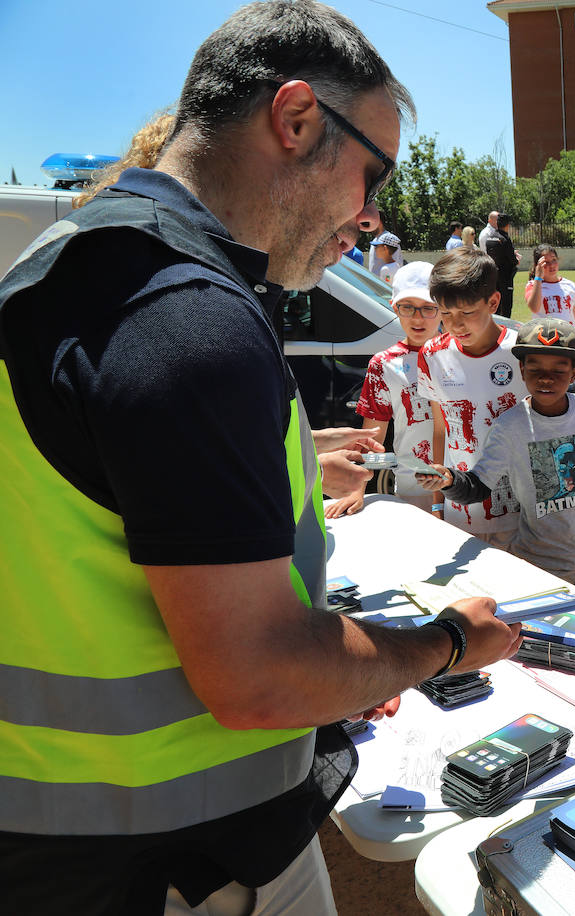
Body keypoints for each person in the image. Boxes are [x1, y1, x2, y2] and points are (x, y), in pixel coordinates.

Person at [0, 3, 523, 911]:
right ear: (295, 120)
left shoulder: (81, 263)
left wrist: (290, 463)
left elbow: (102, 473)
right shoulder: (184, 316)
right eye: (373, 172)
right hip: (175, 855)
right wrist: (447, 644)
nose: (369, 212)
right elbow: (258, 672)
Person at [421, 317, 575, 587]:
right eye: (535, 369)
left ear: (574, 374)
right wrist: (450, 481)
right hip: (538, 564)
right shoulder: (510, 425)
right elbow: (478, 486)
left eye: (559, 371)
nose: (545, 378)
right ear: (522, 371)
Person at [418, 248, 527, 547]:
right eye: (446, 313)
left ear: (493, 302)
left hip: (523, 516)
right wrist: (438, 502)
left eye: (467, 313)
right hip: (461, 512)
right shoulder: (432, 355)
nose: (456, 325)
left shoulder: (523, 352)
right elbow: (440, 429)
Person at [331, 260, 442, 517]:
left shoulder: (460, 355)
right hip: (415, 486)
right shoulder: (384, 364)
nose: (417, 318)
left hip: (463, 488)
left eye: (428, 308)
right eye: (408, 307)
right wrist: (357, 488)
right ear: (394, 307)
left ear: (442, 308)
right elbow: (373, 434)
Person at [523, 243, 575, 376]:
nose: (551, 265)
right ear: (538, 265)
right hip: (547, 345)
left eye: (554, 260)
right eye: (546, 262)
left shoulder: (569, 285)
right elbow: (534, 307)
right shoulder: (533, 285)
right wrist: (538, 277)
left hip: (569, 344)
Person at [483, 213, 520, 318]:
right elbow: (512, 260)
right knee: (506, 304)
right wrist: (516, 259)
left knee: (495, 303)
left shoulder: (490, 237)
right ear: (507, 225)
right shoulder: (505, 238)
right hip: (505, 276)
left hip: (493, 276)